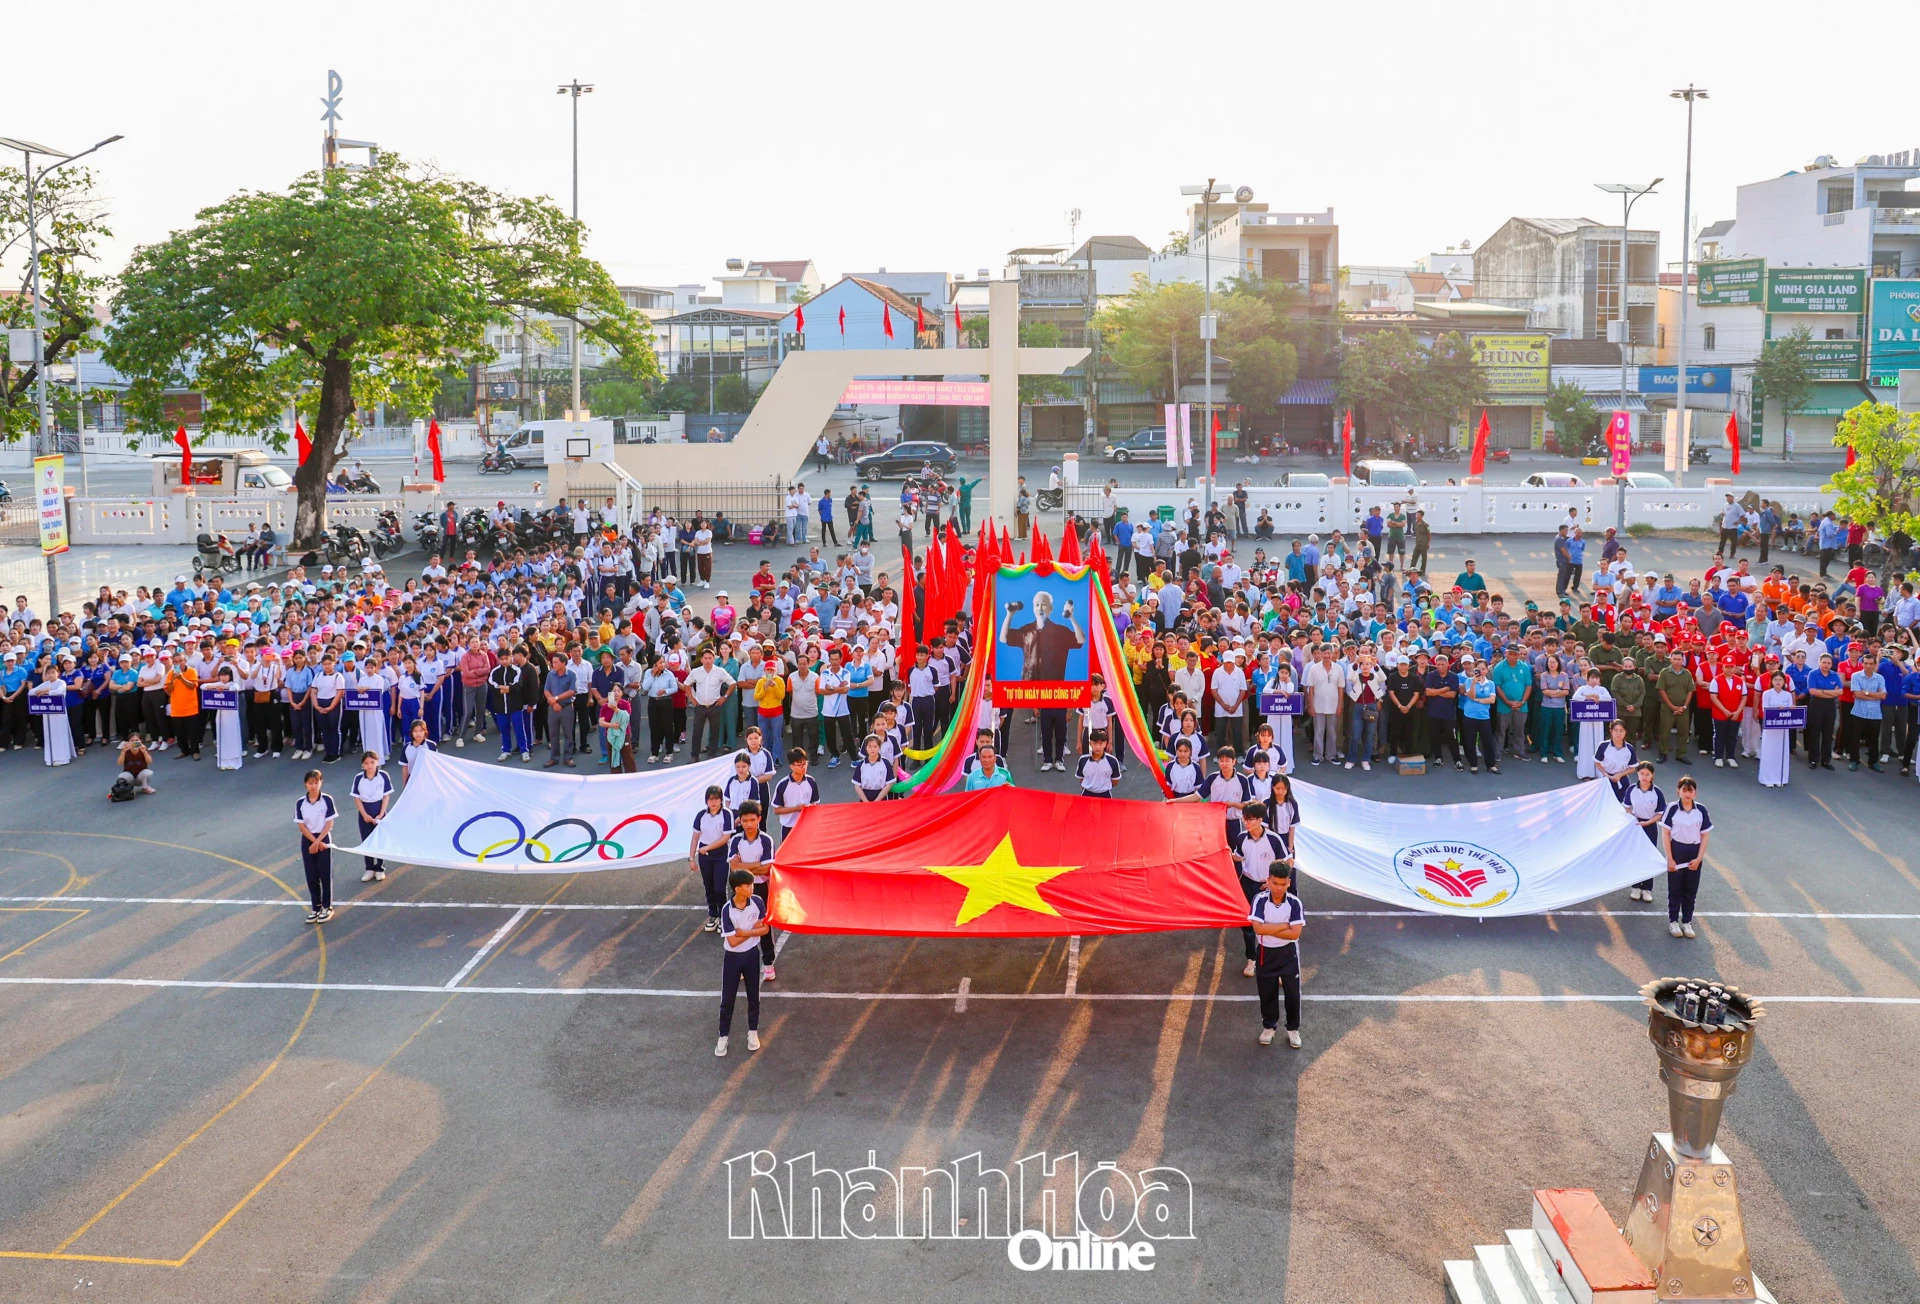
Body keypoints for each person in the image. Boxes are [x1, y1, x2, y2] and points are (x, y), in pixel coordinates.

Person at [1247, 865, 1305, 1049]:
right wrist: (1283, 925)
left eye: (1283, 884)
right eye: (1275, 883)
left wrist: (1269, 928)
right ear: (1268, 881)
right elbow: (1258, 929)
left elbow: (1295, 934)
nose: (1279, 888)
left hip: (1288, 953)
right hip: (1266, 953)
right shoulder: (1259, 900)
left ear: (1289, 882)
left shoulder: (1295, 903)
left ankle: (1293, 1029)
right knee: (1267, 993)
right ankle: (1269, 1027)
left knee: (1293, 994)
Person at [716, 868, 769, 1057]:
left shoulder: (757, 901)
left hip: (752, 955)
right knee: (727, 999)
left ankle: (753, 1032)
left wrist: (744, 932)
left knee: (754, 996)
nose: (752, 887)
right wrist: (753, 931)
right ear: (738, 889)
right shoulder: (727, 910)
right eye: (748, 885)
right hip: (733, 958)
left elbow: (765, 929)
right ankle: (723, 1036)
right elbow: (732, 942)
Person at [1231, 802, 1287, 977]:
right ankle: (1251, 960)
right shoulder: (1241, 837)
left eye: (1250, 819)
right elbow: (1238, 856)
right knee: (1248, 925)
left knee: (1272, 925)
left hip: (1267, 888)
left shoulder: (1273, 839)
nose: (1246, 823)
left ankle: (1278, 966)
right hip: (1247, 884)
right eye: (1245, 819)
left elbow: (1287, 862)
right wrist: (1224, 852)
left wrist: (1272, 882)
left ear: (1260, 820)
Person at [725, 800, 778, 981]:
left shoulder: (766, 840)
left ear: (759, 819)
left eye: (752, 820)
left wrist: (743, 866)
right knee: (741, 926)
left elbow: (766, 869)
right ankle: (742, 965)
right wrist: (757, 864)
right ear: (740, 821)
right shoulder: (735, 840)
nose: (749, 824)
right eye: (745, 820)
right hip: (739, 889)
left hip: (761, 887)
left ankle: (768, 963)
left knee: (762, 924)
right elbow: (734, 868)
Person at [1661, 776, 1712, 940]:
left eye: (1690, 790)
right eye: (1684, 790)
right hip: (1677, 850)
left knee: (1690, 890)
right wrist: (1670, 858)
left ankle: (1687, 922)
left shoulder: (1701, 810)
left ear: (1695, 793)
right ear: (1679, 791)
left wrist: (1699, 858)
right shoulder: (1672, 808)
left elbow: (1705, 836)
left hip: (1694, 852)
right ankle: (1673, 921)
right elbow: (1665, 833)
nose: (1687, 794)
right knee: (1675, 889)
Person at [689, 785, 735, 932]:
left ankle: (723, 916)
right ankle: (713, 915)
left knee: (720, 888)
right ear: (706, 801)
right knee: (708, 886)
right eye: (710, 799)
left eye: (716, 799)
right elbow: (695, 837)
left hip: (721, 855)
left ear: (721, 800)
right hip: (705, 856)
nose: (713, 802)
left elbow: (725, 838)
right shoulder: (700, 815)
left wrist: (707, 848)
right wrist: (691, 858)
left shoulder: (727, 814)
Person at [296, 769, 337, 924]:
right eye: (310, 783)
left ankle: (327, 907)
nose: (313, 786)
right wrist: (314, 842)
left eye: (316, 782)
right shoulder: (300, 802)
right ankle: (316, 907)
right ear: (305, 784)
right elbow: (301, 826)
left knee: (325, 874)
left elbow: (329, 823)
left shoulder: (327, 800)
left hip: (323, 839)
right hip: (308, 840)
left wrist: (319, 841)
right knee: (311, 875)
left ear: (321, 783)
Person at [1621, 762, 1665, 902]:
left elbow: (1660, 813)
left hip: (1650, 826)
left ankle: (1647, 889)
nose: (1644, 777)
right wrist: (1632, 818)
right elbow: (1627, 806)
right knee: (1635, 856)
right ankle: (1635, 887)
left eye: (1647, 774)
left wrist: (1648, 822)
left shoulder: (1657, 792)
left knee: (1648, 856)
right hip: (1635, 825)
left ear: (1652, 775)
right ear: (1638, 774)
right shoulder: (1631, 789)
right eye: (1642, 774)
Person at [351, 751, 393, 882]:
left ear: (377, 762)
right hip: (365, 812)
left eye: (372, 762)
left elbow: (386, 796)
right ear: (362, 765)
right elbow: (357, 798)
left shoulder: (383, 776)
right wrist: (364, 815)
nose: (369, 766)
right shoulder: (358, 778)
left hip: (379, 810)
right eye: (366, 763)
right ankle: (369, 868)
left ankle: (380, 868)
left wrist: (381, 814)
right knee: (367, 841)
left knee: (380, 840)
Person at [1569, 669, 1613, 780]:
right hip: (1586, 721)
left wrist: (1598, 697)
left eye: (1596, 678)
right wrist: (1587, 697)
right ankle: (1586, 772)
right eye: (1592, 678)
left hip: (1598, 721)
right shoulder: (1582, 689)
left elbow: (1608, 698)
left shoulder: (1602, 689)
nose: (1594, 680)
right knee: (1586, 744)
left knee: (1598, 744)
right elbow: (1575, 697)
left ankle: (1599, 772)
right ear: (1587, 679)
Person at [30, 667, 75, 766]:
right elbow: (31, 692)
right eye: (48, 673)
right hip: (47, 712)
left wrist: (46, 692)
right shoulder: (45, 684)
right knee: (49, 734)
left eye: (53, 672)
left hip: (59, 712)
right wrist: (44, 689)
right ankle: (51, 758)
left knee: (60, 734)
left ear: (58, 673)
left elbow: (58, 692)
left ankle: (63, 758)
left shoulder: (61, 682)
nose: (50, 675)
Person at [1758, 670, 1794, 788]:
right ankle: (1767, 778)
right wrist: (1777, 709)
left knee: (1780, 752)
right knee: (1769, 752)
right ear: (1772, 681)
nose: (1778, 682)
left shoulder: (1787, 695)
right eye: (1775, 680)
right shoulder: (1767, 693)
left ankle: (1780, 777)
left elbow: (1790, 710)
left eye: (1780, 680)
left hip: (1782, 729)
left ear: (1784, 682)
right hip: (1770, 727)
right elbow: (1765, 709)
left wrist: (1790, 709)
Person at [210, 666, 245, 770]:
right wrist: (216, 687)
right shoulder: (218, 684)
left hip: (232, 715)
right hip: (221, 715)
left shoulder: (233, 684)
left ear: (230, 676)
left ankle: (234, 761)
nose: (223, 678)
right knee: (222, 736)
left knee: (232, 736)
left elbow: (235, 688)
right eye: (221, 675)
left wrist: (224, 688)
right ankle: (223, 761)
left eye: (225, 675)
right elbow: (204, 686)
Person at [1593, 719, 1639, 799]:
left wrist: (1620, 775)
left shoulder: (1629, 748)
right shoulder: (1603, 746)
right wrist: (1605, 774)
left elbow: (1632, 768)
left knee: (1622, 803)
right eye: (1616, 730)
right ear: (1611, 731)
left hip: (1623, 779)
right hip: (1607, 779)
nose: (1618, 734)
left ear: (1625, 732)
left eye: (1621, 731)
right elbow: (1597, 762)